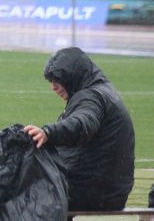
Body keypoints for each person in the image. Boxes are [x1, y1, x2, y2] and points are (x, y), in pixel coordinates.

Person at [24, 47, 135, 213]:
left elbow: (81, 124)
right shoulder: (101, 92)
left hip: (92, 192)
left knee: (19, 197)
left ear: (72, 76)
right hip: (108, 191)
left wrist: (48, 133)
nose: (53, 88)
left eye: (57, 81)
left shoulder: (91, 97)